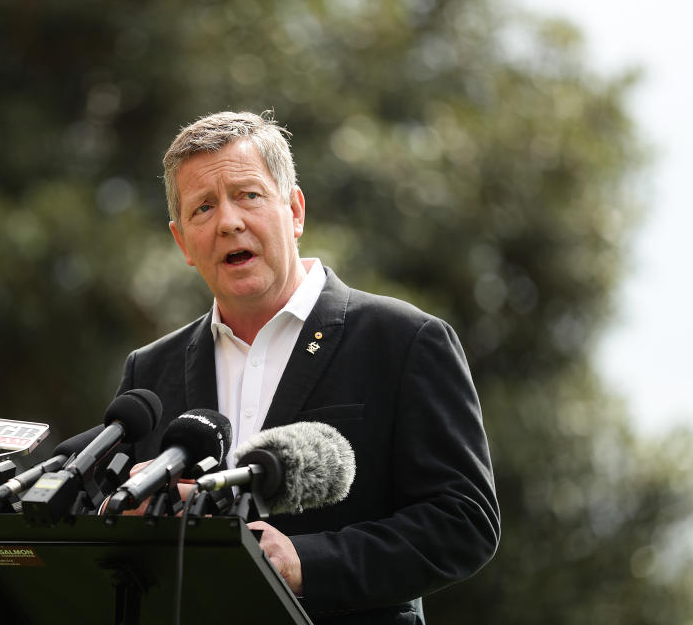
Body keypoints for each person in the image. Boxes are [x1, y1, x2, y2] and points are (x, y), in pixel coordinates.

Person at [114, 111, 499, 625]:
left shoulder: (405, 340)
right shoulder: (149, 372)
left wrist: (305, 562)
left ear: (294, 211)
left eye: (248, 195)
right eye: (203, 207)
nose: (228, 221)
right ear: (183, 241)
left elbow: (464, 522)